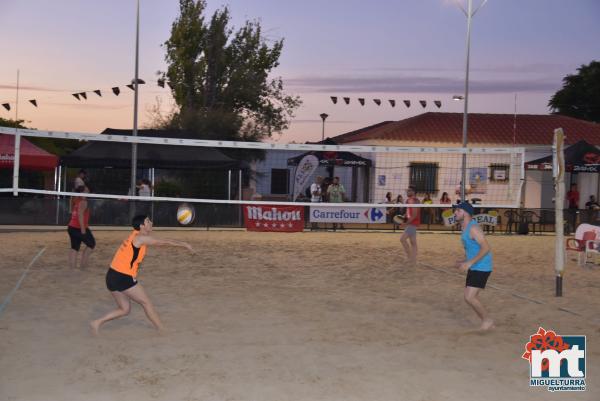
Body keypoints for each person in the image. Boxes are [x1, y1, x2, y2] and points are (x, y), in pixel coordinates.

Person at [90, 215, 194, 335]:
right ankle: (162, 329)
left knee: (125, 309)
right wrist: (184, 244)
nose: (151, 222)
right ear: (141, 226)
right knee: (146, 302)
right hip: (123, 277)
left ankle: (97, 322)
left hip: (111, 275)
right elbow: (164, 241)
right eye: (148, 221)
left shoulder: (135, 235)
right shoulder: (140, 238)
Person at [453, 201, 494, 331]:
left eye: (458, 211)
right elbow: (473, 249)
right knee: (469, 297)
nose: (455, 213)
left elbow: (486, 247)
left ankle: (487, 321)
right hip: (475, 265)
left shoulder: (473, 228)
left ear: (465, 213)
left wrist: (469, 263)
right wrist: (464, 260)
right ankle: (487, 321)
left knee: (469, 297)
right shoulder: (465, 228)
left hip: (482, 266)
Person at [67, 185, 95, 269]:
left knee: (74, 247)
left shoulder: (77, 199)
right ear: (82, 192)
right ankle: (83, 266)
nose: (88, 192)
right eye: (86, 191)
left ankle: (72, 268)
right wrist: (83, 229)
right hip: (79, 228)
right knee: (91, 244)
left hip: (71, 227)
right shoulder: (83, 202)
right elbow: (80, 215)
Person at [399, 186, 420, 265]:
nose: (407, 192)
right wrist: (403, 217)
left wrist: (405, 223)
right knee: (413, 242)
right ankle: (413, 260)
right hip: (411, 222)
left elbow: (414, 215)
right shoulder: (409, 200)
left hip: (412, 223)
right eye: (407, 190)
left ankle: (410, 258)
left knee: (402, 239)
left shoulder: (414, 201)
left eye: (409, 191)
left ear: (413, 192)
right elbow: (408, 212)